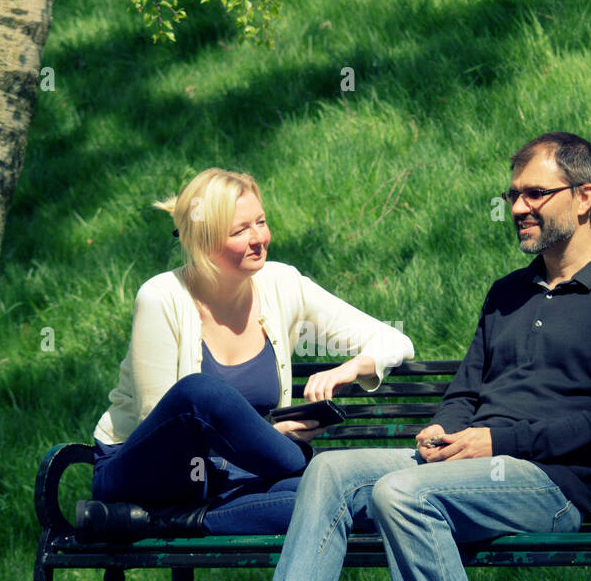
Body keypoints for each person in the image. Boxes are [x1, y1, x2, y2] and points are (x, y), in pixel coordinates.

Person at [196, 132, 591, 581]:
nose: (518, 208)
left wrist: (497, 441)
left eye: (536, 194)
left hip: (550, 483)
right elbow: (466, 391)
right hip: (469, 463)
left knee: (401, 492)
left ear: (584, 197)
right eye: (513, 195)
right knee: (332, 473)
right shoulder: (507, 294)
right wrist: (443, 427)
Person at [79, 168, 414, 541]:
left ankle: (172, 522)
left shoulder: (282, 284)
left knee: (335, 500)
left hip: (236, 475)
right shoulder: (161, 297)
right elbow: (159, 425)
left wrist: (350, 369)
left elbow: (393, 340)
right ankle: (299, 464)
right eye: (240, 231)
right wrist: (269, 436)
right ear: (204, 241)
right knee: (200, 394)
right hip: (148, 474)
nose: (259, 238)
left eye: (261, 222)